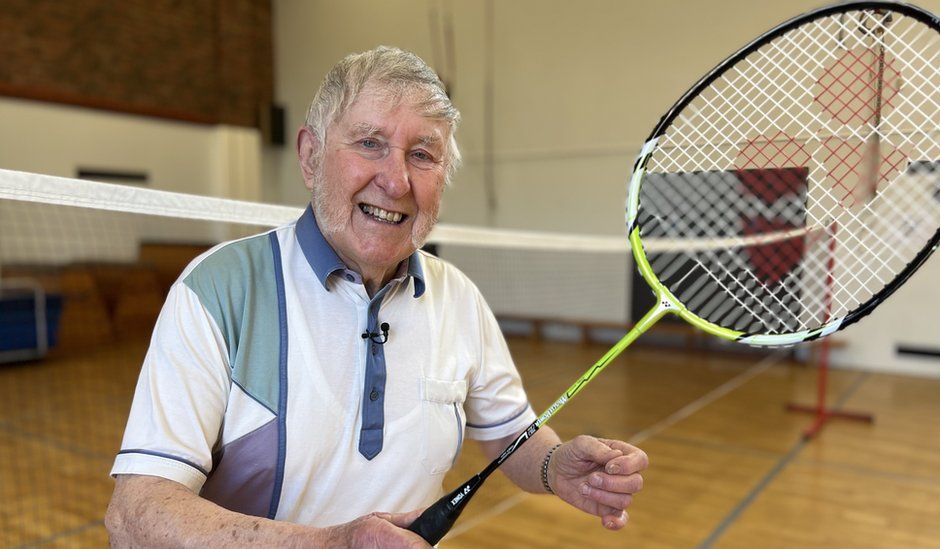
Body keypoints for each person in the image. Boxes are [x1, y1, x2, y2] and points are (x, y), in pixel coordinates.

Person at [105, 46, 648, 547]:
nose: (396, 181)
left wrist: (554, 465)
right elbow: (134, 514)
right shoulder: (219, 289)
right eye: (370, 144)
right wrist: (330, 545)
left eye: (423, 155)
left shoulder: (458, 297)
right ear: (311, 156)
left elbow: (511, 435)